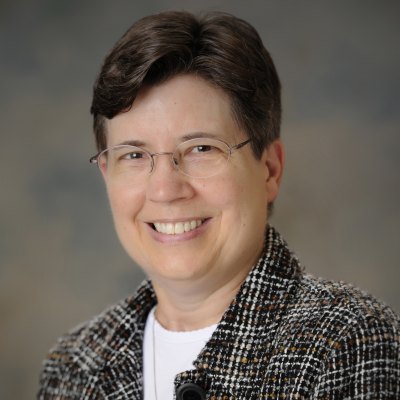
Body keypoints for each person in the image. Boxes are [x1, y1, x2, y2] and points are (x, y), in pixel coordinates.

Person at [37, 10, 399, 400]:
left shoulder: (349, 341)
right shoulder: (73, 366)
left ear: (269, 169)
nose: (165, 190)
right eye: (134, 155)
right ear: (107, 174)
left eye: (201, 149)